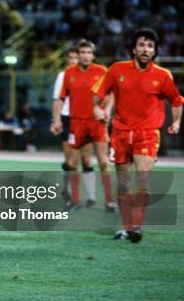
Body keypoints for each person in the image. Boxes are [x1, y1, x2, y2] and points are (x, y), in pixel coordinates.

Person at [92, 28, 182, 243]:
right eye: (141, 44)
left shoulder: (162, 75)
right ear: (133, 49)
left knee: (143, 179)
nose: (145, 49)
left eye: (150, 46)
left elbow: (177, 100)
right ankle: (127, 228)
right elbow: (98, 94)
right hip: (121, 133)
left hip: (147, 134)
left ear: (154, 51)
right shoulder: (117, 70)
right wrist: (97, 109)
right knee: (123, 185)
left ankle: (137, 227)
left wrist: (177, 121)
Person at [51, 40, 115, 212]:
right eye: (83, 52)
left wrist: (107, 111)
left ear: (93, 55)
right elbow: (61, 97)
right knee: (72, 162)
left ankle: (109, 201)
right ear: (78, 55)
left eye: (89, 52)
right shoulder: (68, 73)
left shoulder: (102, 71)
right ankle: (75, 200)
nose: (86, 56)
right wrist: (56, 119)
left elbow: (110, 94)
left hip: (97, 123)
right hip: (76, 123)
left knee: (103, 162)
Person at [51, 47, 98, 207]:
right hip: (67, 118)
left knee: (86, 158)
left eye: (75, 57)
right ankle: (68, 193)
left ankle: (91, 196)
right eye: (70, 58)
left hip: (86, 119)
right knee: (70, 160)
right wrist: (55, 120)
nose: (73, 61)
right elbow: (57, 99)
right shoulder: (63, 75)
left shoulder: (92, 74)